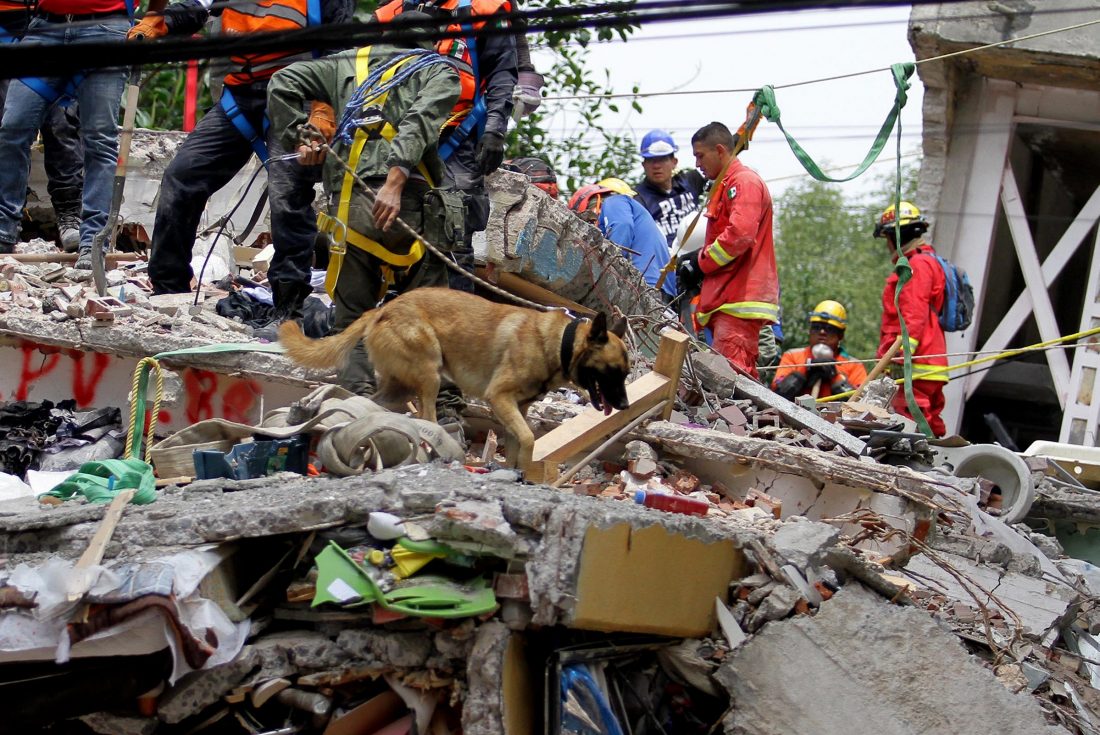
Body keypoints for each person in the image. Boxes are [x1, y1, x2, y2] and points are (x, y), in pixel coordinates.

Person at [267, 16, 462, 395]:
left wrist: (299, 136)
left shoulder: (345, 63)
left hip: (351, 205)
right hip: (410, 206)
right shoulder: (439, 71)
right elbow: (420, 121)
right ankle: (440, 412)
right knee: (431, 322)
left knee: (351, 318)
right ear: (433, 43)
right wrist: (395, 179)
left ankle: (354, 403)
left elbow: (282, 81)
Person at [136, 0, 353, 327]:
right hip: (238, 98)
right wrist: (159, 22)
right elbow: (197, 7)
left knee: (287, 197)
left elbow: (340, 50)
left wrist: (324, 111)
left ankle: (287, 309)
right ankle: (169, 290)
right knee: (181, 178)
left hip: (295, 99)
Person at [0, 0, 160, 263]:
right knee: (13, 127)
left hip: (106, 29)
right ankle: (4, 231)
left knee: (99, 139)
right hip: (46, 27)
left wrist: (154, 16)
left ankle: (93, 241)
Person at [374, 0, 517, 293]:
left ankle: (455, 322)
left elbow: (502, 72)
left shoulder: (482, 10)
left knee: (453, 232)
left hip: (456, 136)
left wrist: (494, 131)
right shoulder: (391, 13)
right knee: (383, 223)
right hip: (394, 135)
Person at [677, 121, 778, 379]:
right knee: (732, 379)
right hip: (730, 297)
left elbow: (740, 235)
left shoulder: (743, 182)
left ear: (720, 150)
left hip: (739, 297)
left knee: (730, 380)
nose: (697, 164)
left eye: (701, 156)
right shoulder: (728, 184)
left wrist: (700, 262)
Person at [874, 200, 948, 436]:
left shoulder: (916, 265)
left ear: (895, 236)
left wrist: (898, 358)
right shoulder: (927, 262)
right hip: (928, 361)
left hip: (916, 364)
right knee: (925, 422)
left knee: (909, 421)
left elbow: (912, 317)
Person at [568, 177, 676, 301]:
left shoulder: (614, 201)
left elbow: (621, 226)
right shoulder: (641, 220)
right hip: (662, 292)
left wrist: (604, 272)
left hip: (645, 287)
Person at [773, 300, 867, 400]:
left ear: (840, 335)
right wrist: (805, 370)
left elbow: (860, 402)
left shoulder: (854, 365)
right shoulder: (792, 356)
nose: (822, 332)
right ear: (810, 331)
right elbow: (777, 393)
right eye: (816, 327)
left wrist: (835, 377)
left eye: (829, 328)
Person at [633, 129, 705, 248]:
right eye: (651, 160)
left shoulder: (690, 181)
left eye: (662, 159)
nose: (656, 166)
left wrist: (743, 131)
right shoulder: (638, 199)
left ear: (674, 162)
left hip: (701, 255)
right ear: (644, 165)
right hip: (667, 262)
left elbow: (720, 154)